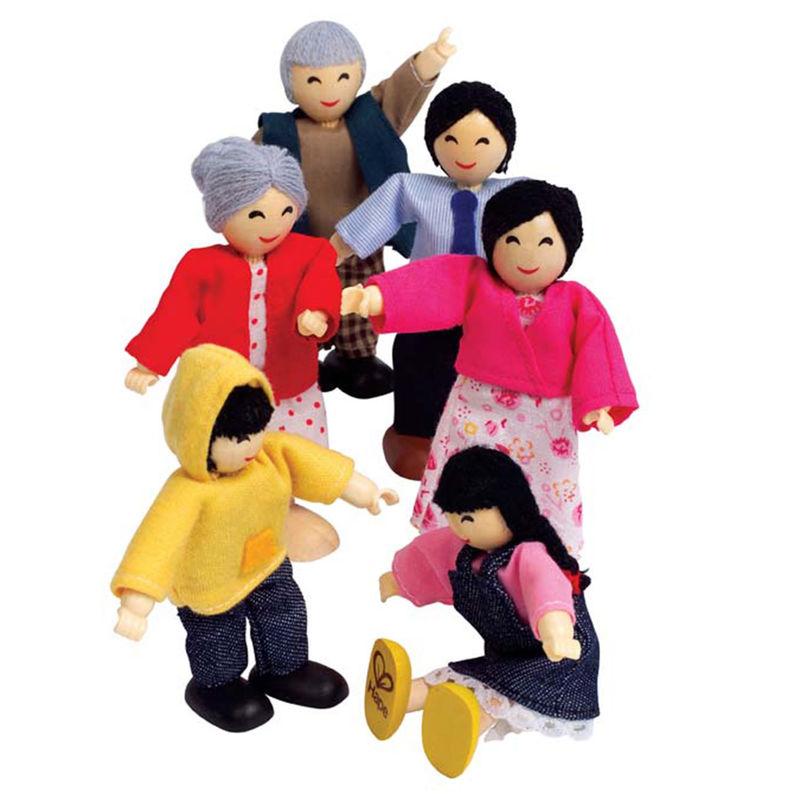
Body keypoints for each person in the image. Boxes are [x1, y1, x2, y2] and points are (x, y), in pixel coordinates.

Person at [113, 344, 398, 732]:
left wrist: (365, 492)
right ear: (198, 437)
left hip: (266, 562)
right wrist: (136, 601)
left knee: (285, 613)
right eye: (236, 438)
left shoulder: (270, 455)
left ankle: (283, 668)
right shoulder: (187, 492)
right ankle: (217, 685)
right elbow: (156, 542)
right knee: (218, 637)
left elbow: (315, 466)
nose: (250, 445)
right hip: (210, 584)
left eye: (256, 431)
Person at [343, 179, 638, 554]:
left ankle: (544, 547)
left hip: (545, 418)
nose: (528, 255)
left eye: (545, 243)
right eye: (512, 241)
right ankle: (451, 537)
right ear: (493, 241)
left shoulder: (577, 301)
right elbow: (431, 285)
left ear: (568, 246)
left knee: (545, 479)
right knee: (465, 468)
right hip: (478, 405)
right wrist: (376, 297)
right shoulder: (475, 280)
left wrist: (600, 401)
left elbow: (598, 350)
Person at [124, 137, 343, 560]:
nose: (273, 224)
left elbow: (321, 282)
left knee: (291, 452)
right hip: (226, 391)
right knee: (230, 450)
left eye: (286, 211)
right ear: (222, 216)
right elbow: (177, 312)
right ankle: (226, 513)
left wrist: (315, 311)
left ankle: (283, 508)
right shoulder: (201, 264)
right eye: (255, 214)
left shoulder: (310, 251)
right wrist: (150, 362)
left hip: (290, 384)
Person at [366, 447, 598, 778]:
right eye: (451, 516)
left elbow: (547, 589)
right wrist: (399, 581)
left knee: (497, 692)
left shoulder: (529, 555)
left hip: (560, 657)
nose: (458, 528)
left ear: (509, 510)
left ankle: (460, 729)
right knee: (469, 676)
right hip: (509, 652)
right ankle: (400, 697)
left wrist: (556, 629)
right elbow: (427, 559)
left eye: (468, 519)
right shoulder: (462, 547)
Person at [254, 20, 457, 398]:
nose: (329, 90)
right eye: (313, 80)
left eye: (342, 77)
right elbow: (246, 173)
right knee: (296, 302)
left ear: (358, 75)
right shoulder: (278, 132)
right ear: (291, 84)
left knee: (359, 297)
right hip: (301, 242)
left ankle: (356, 358)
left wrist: (432, 57)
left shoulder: (371, 117)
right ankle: (301, 357)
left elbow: (401, 89)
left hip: (362, 239)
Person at [332, 82, 521, 478]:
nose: (466, 152)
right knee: (418, 363)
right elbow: (369, 222)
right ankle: (414, 435)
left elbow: (547, 230)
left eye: (483, 141)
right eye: (451, 139)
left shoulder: (517, 195)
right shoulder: (413, 187)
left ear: (506, 144)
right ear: (434, 142)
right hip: (425, 305)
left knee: (491, 372)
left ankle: (489, 437)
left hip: (489, 308)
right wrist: (324, 258)